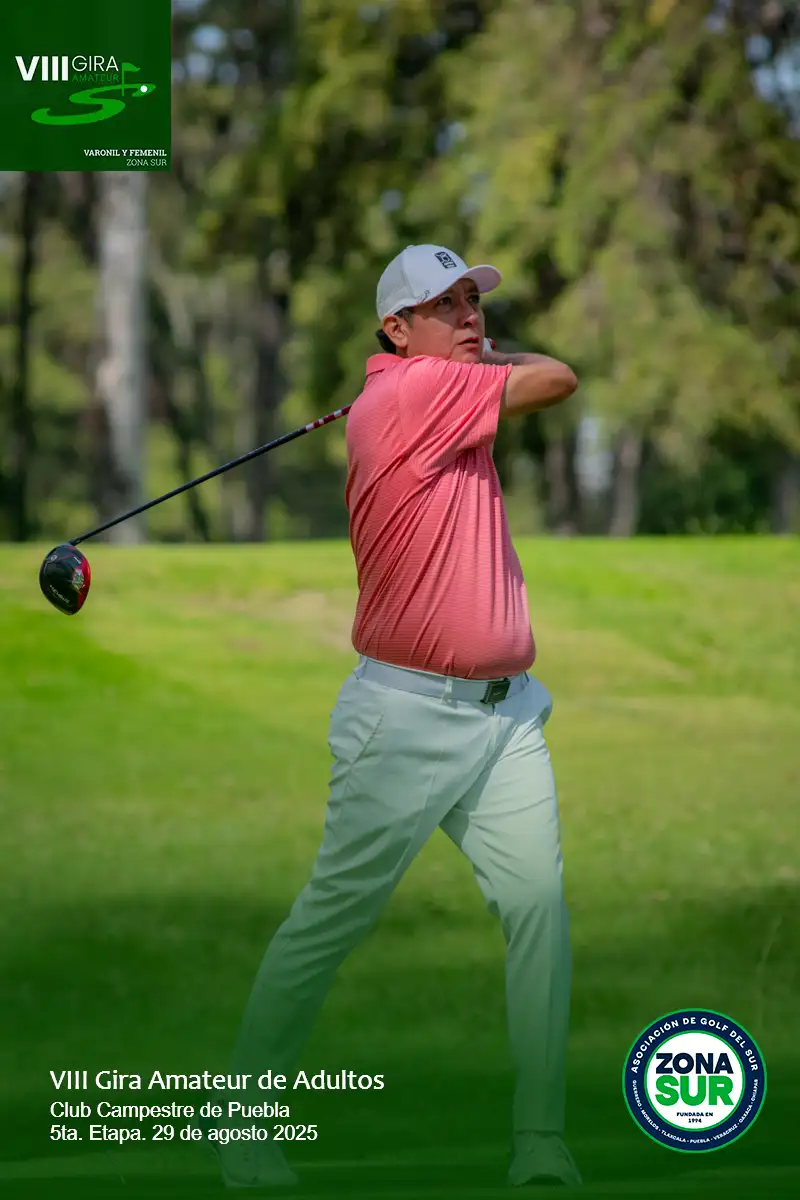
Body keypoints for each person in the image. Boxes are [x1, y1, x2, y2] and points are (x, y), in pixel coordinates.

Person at [217, 244, 581, 1190]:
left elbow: (534, 377)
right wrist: (482, 363)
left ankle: (540, 1141)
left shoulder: (425, 387)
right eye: (445, 305)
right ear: (395, 328)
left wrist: (467, 359)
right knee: (331, 919)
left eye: (472, 300)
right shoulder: (417, 393)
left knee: (538, 909)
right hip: (408, 718)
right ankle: (242, 1124)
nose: (469, 316)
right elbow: (559, 378)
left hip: (507, 719)